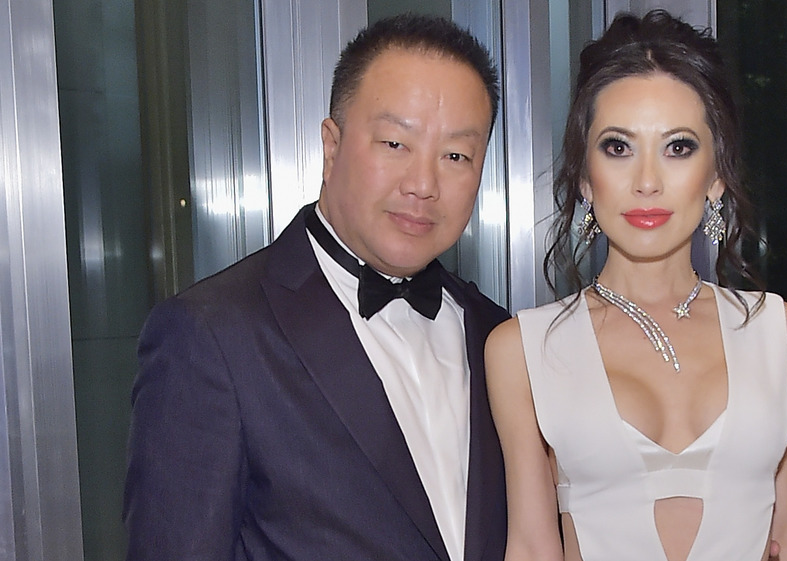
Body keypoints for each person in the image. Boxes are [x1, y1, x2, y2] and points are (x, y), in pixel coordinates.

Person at [123, 14, 508, 561]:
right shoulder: (212, 335)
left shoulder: (500, 336)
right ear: (332, 147)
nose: (423, 185)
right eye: (396, 143)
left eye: (456, 156)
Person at [486, 10, 787, 561]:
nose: (647, 181)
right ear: (585, 177)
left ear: (716, 176)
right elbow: (532, 545)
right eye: (618, 147)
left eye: (678, 147)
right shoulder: (523, 349)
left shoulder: (777, 329)